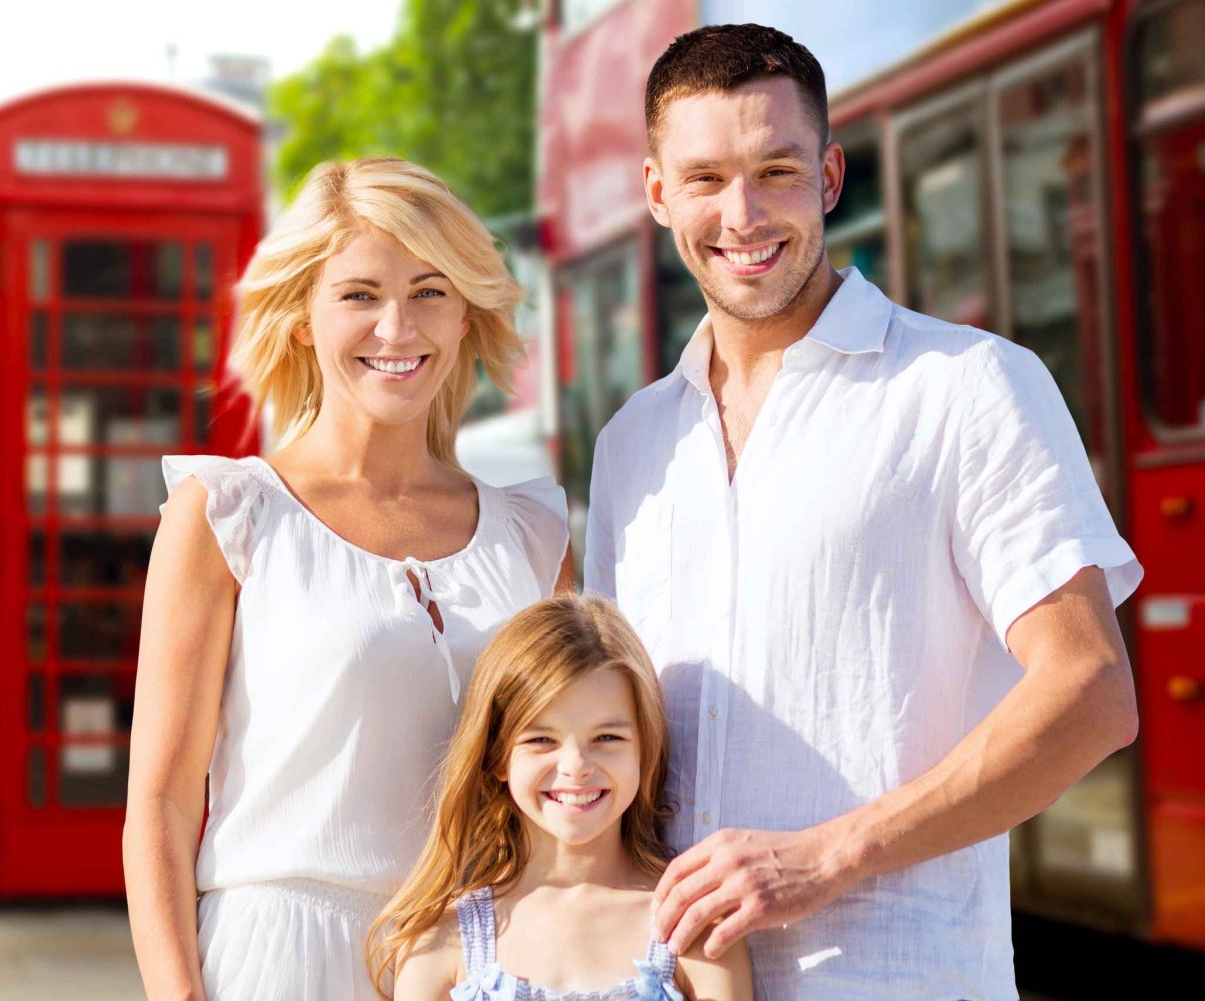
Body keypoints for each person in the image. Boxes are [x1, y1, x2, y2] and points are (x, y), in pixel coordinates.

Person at [583, 24, 1141, 1000]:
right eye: (706, 178)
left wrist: (826, 855)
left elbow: (1092, 688)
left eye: (777, 171)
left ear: (831, 176)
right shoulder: (634, 442)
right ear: (659, 193)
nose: (743, 214)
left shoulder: (968, 385)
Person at [123, 157, 572, 1001]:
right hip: (282, 959)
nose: (398, 328)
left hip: (483, 959)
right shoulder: (228, 515)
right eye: (360, 294)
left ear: (468, 313)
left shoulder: (536, 535)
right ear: (301, 318)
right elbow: (160, 803)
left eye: (431, 291)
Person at [373, 594, 752, 1001]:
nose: (576, 765)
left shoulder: (695, 928)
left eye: (607, 737)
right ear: (498, 756)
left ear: (646, 747)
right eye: (541, 739)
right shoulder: (439, 941)